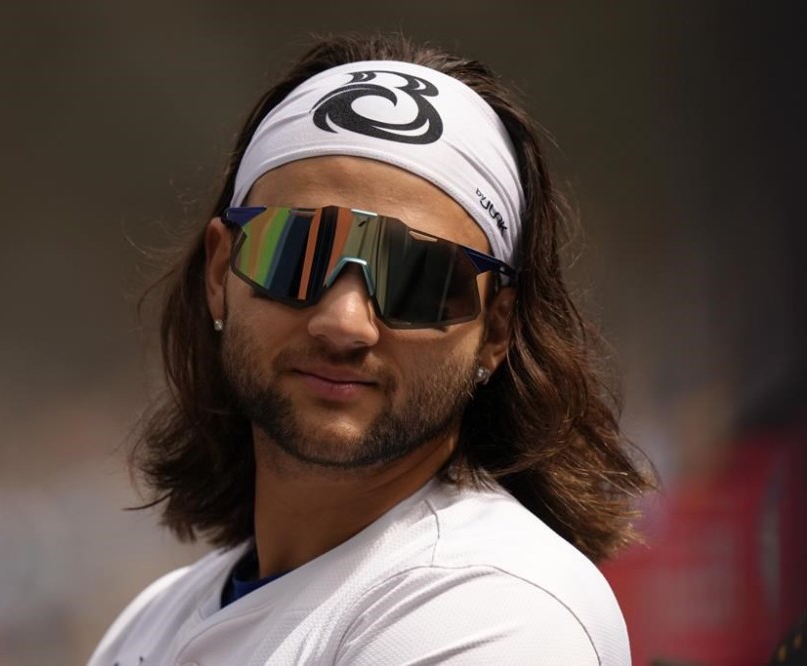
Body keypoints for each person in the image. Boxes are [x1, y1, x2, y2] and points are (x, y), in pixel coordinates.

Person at [89, 33, 655, 665]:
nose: (344, 323)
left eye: (417, 277)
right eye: (295, 251)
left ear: (496, 330)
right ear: (221, 273)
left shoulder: (503, 612)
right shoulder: (149, 624)